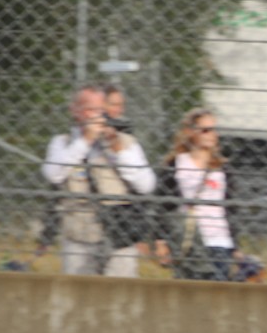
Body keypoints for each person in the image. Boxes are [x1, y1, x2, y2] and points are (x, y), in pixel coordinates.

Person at [41, 83, 155, 278]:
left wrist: (116, 147)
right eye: (90, 109)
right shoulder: (62, 142)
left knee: (122, 296)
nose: (97, 115)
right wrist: (85, 141)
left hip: (118, 234)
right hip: (79, 235)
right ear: (75, 111)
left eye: (101, 109)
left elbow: (146, 185)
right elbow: (54, 174)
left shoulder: (126, 142)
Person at [154, 108, 246, 281]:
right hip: (190, 241)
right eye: (205, 130)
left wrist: (235, 246)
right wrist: (161, 241)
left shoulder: (223, 167)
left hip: (219, 241)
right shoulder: (176, 164)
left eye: (214, 129)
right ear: (190, 132)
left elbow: (231, 209)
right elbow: (164, 206)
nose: (212, 134)